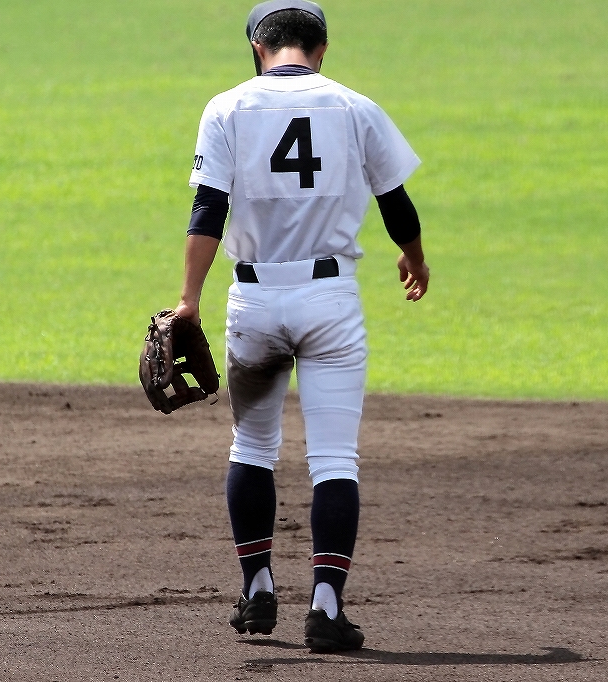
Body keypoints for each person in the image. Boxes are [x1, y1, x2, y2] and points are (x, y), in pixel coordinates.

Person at [172, 1, 429, 652]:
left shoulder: (226, 107)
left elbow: (208, 209)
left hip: (253, 301)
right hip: (329, 301)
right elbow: (395, 201)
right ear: (322, 49)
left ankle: (257, 588)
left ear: (258, 47)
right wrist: (415, 258)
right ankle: (325, 604)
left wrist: (188, 301)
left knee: (252, 448)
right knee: (334, 458)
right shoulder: (353, 106)